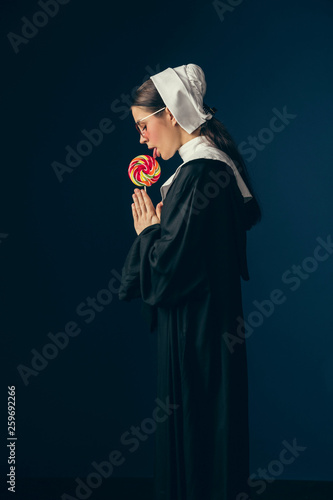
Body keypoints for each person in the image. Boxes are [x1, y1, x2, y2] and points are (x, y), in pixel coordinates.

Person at [118, 64, 262, 500]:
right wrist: (164, 231)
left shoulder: (201, 175)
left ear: (172, 115)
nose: (142, 138)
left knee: (199, 439)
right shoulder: (199, 174)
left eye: (144, 125)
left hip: (197, 337)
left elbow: (168, 270)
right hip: (207, 331)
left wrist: (148, 233)